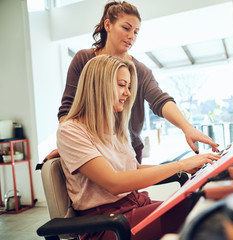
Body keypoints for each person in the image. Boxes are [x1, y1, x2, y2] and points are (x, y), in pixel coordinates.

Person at [57, 55, 221, 240]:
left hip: (133, 207)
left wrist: (187, 166)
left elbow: (133, 169)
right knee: (196, 209)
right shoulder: (71, 131)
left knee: (201, 204)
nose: (127, 93)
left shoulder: (115, 129)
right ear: (98, 86)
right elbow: (114, 183)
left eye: (128, 87)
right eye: (121, 85)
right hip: (107, 224)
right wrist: (179, 166)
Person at [47, 0, 218, 164]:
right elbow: (68, 108)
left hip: (127, 147)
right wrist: (67, 143)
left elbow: (160, 100)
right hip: (90, 144)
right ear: (108, 25)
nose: (131, 36)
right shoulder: (84, 59)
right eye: (126, 28)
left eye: (136, 32)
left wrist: (187, 128)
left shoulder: (139, 70)